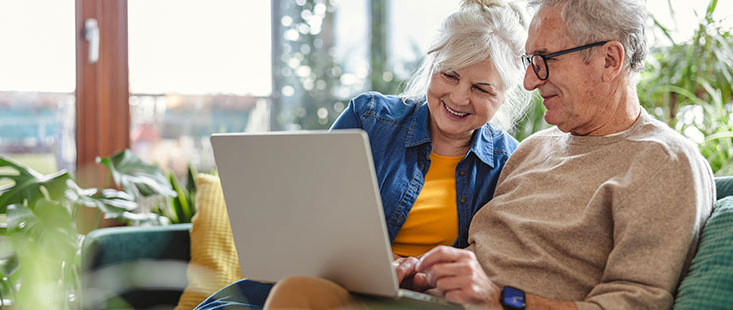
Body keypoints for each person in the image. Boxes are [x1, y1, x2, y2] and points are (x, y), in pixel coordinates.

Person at [263, 0, 716, 309]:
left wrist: (502, 298)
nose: (531, 84)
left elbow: (636, 302)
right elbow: (477, 252)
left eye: (545, 60)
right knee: (298, 291)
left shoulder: (665, 161)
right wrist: (426, 272)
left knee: (300, 296)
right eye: (529, 63)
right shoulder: (536, 150)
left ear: (609, 60)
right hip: (430, 299)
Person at [194, 0, 530, 309]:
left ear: (504, 96)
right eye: (449, 75)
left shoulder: (508, 163)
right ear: (432, 67)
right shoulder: (370, 119)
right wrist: (385, 261)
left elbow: (491, 265)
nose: (458, 97)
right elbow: (313, 223)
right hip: (329, 285)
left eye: (480, 88)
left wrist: (421, 271)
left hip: (418, 300)